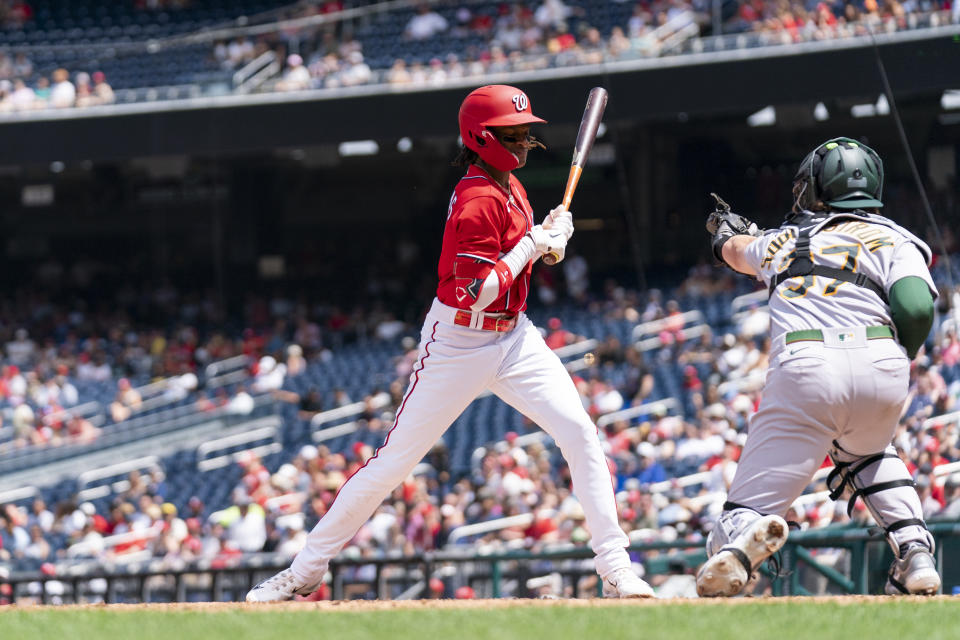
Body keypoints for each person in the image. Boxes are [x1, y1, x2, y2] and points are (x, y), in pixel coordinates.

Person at [247, 84, 652, 601]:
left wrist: (551, 238)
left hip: (515, 337)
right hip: (459, 341)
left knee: (580, 434)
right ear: (483, 137)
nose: (527, 140)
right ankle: (305, 568)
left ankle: (615, 567)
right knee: (392, 463)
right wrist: (534, 245)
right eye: (515, 132)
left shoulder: (510, 187)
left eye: (526, 131)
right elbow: (473, 296)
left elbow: (522, 263)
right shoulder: (476, 199)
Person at [697, 137, 942, 597]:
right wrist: (896, 361)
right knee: (866, 452)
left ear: (814, 188)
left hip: (805, 366)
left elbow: (734, 251)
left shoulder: (781, 240)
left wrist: (726, 235)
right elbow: (914, 307)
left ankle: (738, 548)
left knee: (743, 508)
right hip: (881, 360)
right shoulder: (895, 236)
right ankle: (915, 549)